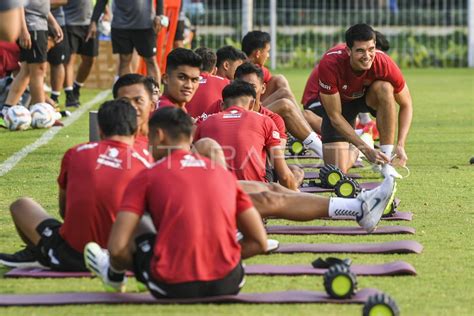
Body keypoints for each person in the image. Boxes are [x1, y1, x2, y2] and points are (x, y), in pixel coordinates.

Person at [84, 106, 267, 296]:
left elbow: (116, 248)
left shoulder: (147, 176)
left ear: (159, 135)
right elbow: (260, 242)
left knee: (138, 222)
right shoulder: (224, 175)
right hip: (228, 283)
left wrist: (144, 267)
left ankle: (113, 276)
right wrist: (223, 259)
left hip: (171, 285)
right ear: (190, 137)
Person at [0, 99, 150, 270]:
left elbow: (65, 211)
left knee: (21, 205)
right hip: (121, 255)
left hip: (70, 255)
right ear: (137, 129)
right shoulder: (146, 161)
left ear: (99, 129)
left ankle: (40, 253)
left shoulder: (76, 152)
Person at [314, 24, 412, 173]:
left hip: (367, 99)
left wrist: (400, 144)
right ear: (348, 51)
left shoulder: (383, 62)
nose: (367, 56)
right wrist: (365, 149)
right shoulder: (329, 65)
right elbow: (335, 116)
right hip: (340, 107)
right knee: (336, 171)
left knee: (385, 87)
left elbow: (406, 104)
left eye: (371, 49)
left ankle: (385, 161)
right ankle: (362, 144)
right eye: (360, 51)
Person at [194, 80, 298, 191]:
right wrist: (296, 196)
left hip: (218, 193)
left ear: (222, 105)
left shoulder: (206, 122)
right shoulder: (265, 120)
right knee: (295, 172)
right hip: (256, 194)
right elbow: (285, 176)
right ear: (252, 104)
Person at [241, 32, 323, 156]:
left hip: (254, 109)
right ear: (258, 53)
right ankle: (319, 141)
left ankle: (342, 135)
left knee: (304, 113)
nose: (268, 55)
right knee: (286, 105)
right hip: (246, 116)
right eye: (267, 51)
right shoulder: (246, 71)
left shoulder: (256, 70)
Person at [302, 30, 391, 138]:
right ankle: (357, 133)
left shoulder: (355, 56)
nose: (371, 57)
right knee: (338, 120)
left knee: (352, 112)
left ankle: (360, 128)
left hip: (339, 97)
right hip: (316, 100)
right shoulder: (345, 59)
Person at [0, 1, 63, 118]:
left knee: (26, 72)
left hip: (40, 23)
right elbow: (18, 4)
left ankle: (6, 110)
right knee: (38, 70)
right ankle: (41, 114)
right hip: (32, 25)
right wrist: (23, 29)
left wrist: (53, 22)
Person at [89, 0, 164, 84]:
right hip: (121, 25)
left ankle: (155, 94)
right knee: (124, 59)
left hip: (145, 24)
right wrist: (94, 21)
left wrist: (160, 15)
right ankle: (127, 94)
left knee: (150, 60)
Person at [62, 0, 99, 107]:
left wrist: (104, 12)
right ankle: (69, 95)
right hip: (69, 22)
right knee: (69, 60)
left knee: (89, 60)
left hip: (89, 23)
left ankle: (76, 88)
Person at [186, 47, 230, 119]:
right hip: (212, 128)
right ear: (214, 70)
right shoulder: (226, 83)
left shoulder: (184, 83)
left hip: (184, 127)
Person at [155, 48, 201, 112]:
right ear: (166, 78)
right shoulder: (167, 113)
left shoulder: (176, 109)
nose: (189, 86)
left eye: (194, 80)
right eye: (182, 77)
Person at [48, 6, 69, 106]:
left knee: (57, 62)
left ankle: (54, 97)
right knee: (35, 66)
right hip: (32, 25)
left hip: (56, 23)